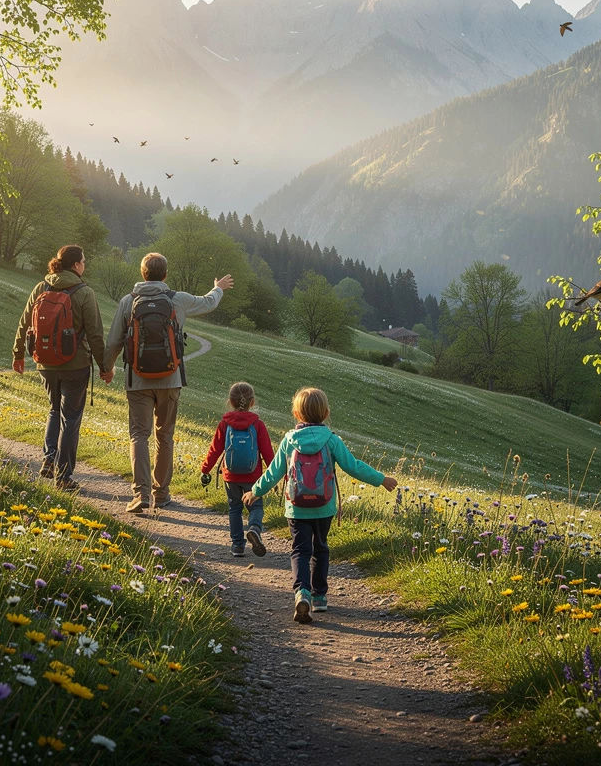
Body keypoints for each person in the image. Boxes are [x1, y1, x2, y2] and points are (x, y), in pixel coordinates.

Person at [244, 386, 397, 623]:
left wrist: (255, 491)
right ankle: (320, 597)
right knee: (321, 548)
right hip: (324, 507)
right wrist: (381, 479)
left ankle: (302, 592)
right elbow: (353, 466)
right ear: (326, 413)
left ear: (296, 414)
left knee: (300, 551)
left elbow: (274, 473)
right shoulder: (332, 440)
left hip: (296, 508)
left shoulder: (288, 440)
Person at [104, 251, 233, 513]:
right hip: (170, 378)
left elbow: (114, 340)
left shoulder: (128, 302)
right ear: (164, 275)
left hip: (137, 380)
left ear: (143, 274)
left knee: (139, 435)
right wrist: (218, 288)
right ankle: (161, 494)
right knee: (165, 436)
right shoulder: (178, 300)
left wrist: (107, 369)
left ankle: (140, 494)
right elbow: (208, 303)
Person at [12, 244, 112, 491]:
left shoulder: (41, 287)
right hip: (75, 365)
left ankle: (49, 459)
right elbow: (96, 334)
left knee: (54, 409)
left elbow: (25, 323)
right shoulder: (84, 292)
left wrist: (18, 354)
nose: (84, 265)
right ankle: (64, 477)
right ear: (76, 265)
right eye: (83, 261)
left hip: (44, 363)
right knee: (71, 418)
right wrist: (105, 366)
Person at [200, 382, 275, 558]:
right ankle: (255, 528)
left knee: (235, 508)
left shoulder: (224, 423)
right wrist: (275, 474)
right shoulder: (258, 424)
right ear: (252, 402)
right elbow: (267, 451)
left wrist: (206, 469)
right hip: (253, 475)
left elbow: (215, 450)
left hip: (230, 475)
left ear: (230, 402)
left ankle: (238, 546)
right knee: (256, 505)